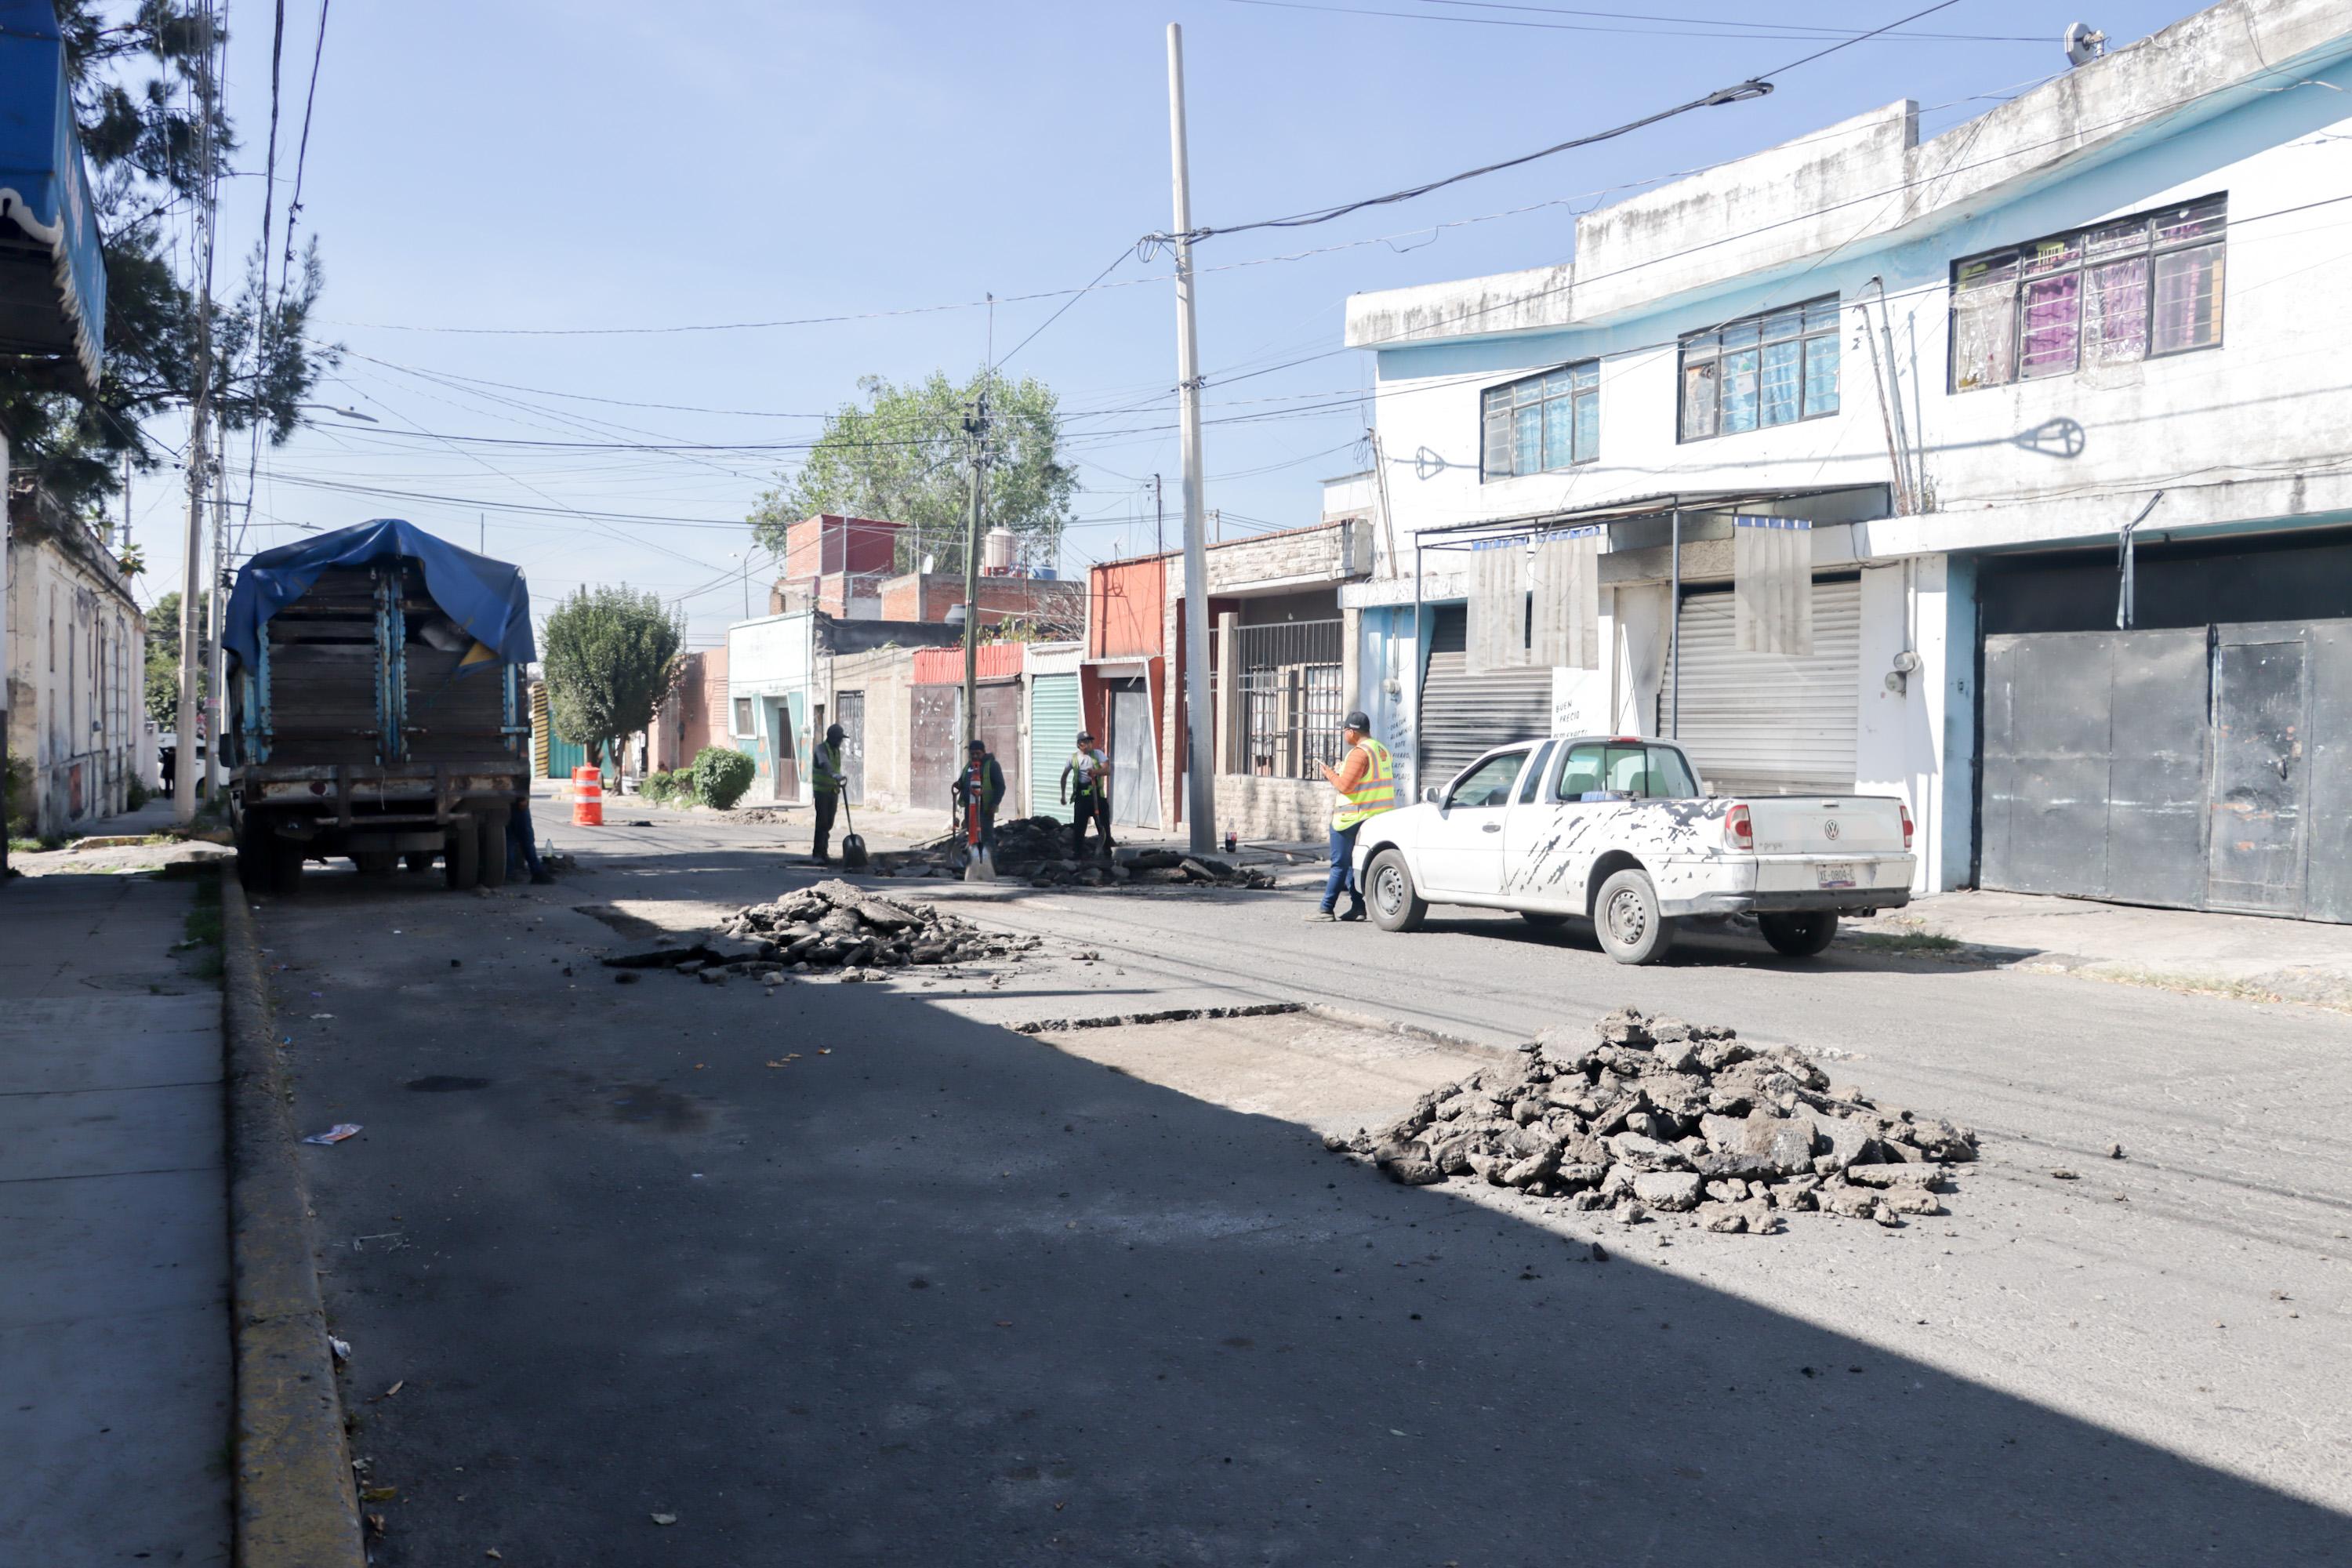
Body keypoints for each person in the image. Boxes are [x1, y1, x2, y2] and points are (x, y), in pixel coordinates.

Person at [1309, 710, 1395, 923]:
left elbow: (1345, 786)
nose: (1344, 734)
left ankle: (1326, 909)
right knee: (1349, 863)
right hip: (1376, 814)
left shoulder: (1359, 753)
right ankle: (1357, 907)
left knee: (1339, 864)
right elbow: (1365, 779)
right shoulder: (1380, 749)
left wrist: (1329, 773)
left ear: (1352, 732)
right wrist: (1343, 769)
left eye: (1345, 730)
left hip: (1351, 818)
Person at [1060, 730, 1113, 858]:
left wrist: (1095, 772)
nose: (1089, 744)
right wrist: (1063, 795)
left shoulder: (1098, 754)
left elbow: (1107, 770)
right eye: (1086, 742)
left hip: (1097, 796)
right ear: (1080, 744)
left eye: (1090, 741)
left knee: (1103, 826)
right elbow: (1064, 776)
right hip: (1081, 798)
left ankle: (1107, 853)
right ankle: (1078, 855)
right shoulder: (1073, 758)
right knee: (1079, 827)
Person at [953, 738, 1006, 862]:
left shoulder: (992, 766)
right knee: (972, 836)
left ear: (984, 752)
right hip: (970, 808)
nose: (975, 756)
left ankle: (990, 863)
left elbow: (1000, 787)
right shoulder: (969, 766)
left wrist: (994, 804)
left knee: (986, 837)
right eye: (973, 754)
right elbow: (963, 780)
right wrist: (959, 784)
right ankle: (974, 862)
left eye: (978, 753)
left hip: (985, 809)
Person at [809, 722, 848, 862]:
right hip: (821, 792)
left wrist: (838, 778)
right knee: (822, 822)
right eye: (839, 739)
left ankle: (824, 853)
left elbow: (835, 766)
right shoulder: (821, 749)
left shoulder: (836, 751)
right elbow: (825, 763)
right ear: (832, 738)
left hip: (833, 791)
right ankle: (818, 854)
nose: (841, 742)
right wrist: (833, 774)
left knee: (829, 823)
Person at [506, 796, 556, 885]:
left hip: (504, 803)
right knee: (526, 839)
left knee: (509, 839)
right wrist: (522, 799)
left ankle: (508, 873)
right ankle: (537, 872)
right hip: (516, 803)